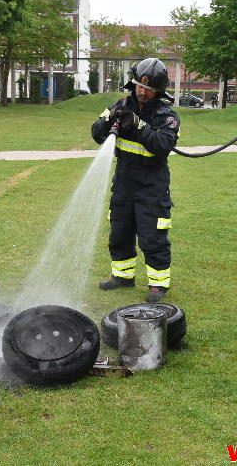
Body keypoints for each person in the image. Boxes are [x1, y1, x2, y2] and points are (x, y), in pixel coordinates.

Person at [91, 58, 180, 303]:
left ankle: (157, 284)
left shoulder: (167, 116)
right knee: (120, 231)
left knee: (153, 236)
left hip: (152, 186)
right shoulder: (118, 105)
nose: (142, 91)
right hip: (124, 182)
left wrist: (139, 125)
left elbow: (162, 146)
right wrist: (108, 120)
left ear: (158, 91)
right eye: (139, 86)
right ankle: (122, 276)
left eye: (149, 89)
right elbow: (96, 132)